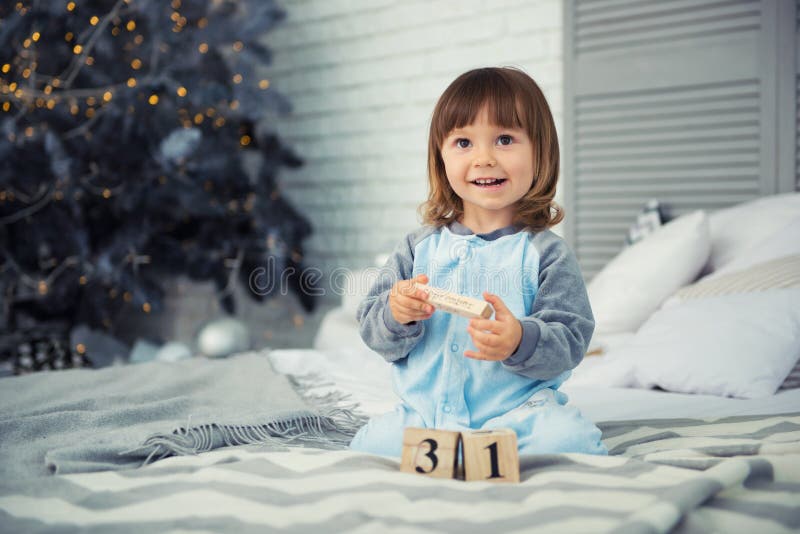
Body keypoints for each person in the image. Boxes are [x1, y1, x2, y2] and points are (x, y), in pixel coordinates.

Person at [349, 67, 606, 458]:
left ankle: (482, 451)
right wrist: (397, 313)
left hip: (517, 416)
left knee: (570, 441)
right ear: (441, 156)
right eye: (463, 142)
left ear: (541, 151)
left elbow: (571, 340)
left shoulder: (547, 254)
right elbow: (372, 330)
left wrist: (520, 339)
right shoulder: (418, 248)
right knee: (368, 447)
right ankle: (460, 453)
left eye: (505, 139)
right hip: (425, 416)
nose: (484, 158)